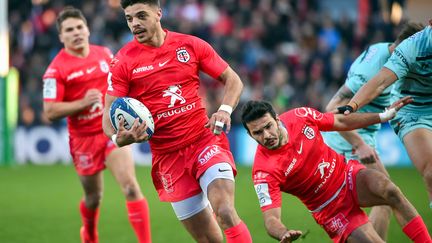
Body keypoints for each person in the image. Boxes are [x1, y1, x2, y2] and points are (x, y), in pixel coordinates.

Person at [101, 0, 252, 242]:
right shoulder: (123, 62)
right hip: (168, 158)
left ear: (158, 13)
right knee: (209, 239)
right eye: (129, 19)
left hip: (204, 140)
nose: (135, 24)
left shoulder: (189, 45)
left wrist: (224, 110)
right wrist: (118, 138)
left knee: (224, 210)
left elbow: (233, 80)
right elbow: (107, 116)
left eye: (141, 15)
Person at [241, 99, 432, 243]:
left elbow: (340, 122)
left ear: (277, 119)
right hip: (330, 210)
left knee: (389, 189)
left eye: (268, 127)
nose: (266, 135)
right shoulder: (263, 172)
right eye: (257, 133)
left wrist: (382, 116)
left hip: (347, 176)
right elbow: (271, 219)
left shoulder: (300, 116)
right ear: (250, 135)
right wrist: (282, 232)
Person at [42, 7, 151, 243]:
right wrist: (82, 103)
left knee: (131, 188)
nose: (76, 33)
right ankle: (89, 233)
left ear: (88, 29)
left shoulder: (104, 54)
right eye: (69, 30)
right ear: (62, 37)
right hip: (83, 139)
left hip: (112, 132)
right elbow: (50, 111)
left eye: (79, 27)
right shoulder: (55, 70)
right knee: (94, 198)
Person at [322, 22, 424, 240]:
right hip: (347, 142)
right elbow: (332, 109)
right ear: (404, 47)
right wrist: (359, 144)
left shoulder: (385, 50)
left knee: (385, 197)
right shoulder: (370, 70)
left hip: (362, 137)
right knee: (387, 196)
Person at [339, 20, 432, 210]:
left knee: (387, 198)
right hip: (412, 109)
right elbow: (381, 81)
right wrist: (352, 106)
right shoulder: (413, 46)